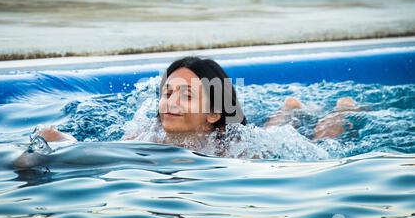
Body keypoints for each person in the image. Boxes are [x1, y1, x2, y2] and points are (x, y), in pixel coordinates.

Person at [32, 56, 356, 153]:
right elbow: (100, 150)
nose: (170, 103)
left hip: (256, 140)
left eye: (186, 95)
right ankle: (290, 106)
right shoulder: (147, 133)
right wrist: (55, 140)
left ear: (214, 112)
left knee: (314, 140)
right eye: (167, 92)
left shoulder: (237, 148)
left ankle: (341, 109)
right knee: (277, 124)